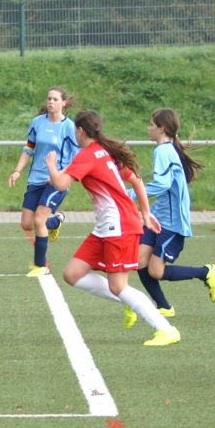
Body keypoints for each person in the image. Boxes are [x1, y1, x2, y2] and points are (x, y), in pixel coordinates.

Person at [46, 109, 180, 346]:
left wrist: (52, 166)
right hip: (108, 226)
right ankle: (129, 301)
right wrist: (145, 213)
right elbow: (137, 179)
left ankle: (166, 329)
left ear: (80, 131)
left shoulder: (88, 154)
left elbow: (60, 184)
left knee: (118, 286)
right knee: (72, 274)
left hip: (119, 225)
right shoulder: (104, 151)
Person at [121, 108, 215, 328]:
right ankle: (163, 306)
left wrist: (132, 194)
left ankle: (205, 272)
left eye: (151, 124)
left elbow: (163, 184)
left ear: (161, 128)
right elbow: (167, 187)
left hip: (172, 223)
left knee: (156, 271)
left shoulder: (163, 151)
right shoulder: (166, 149)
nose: (149, 128)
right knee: (139, 261)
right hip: (158, 218)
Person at [7, 86, 79, 277]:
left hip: (57, 182)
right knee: (27, 224)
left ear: (64, 103)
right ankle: (55, 222)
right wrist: (17, 171)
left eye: (55, 99)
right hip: (35, 179)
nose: (51, 102)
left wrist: (58, 174)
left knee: (39, 220)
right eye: (49, 99)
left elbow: (77, 158)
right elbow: (29, 148)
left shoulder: (69, 127)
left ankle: (41, 266)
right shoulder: (37, 122)